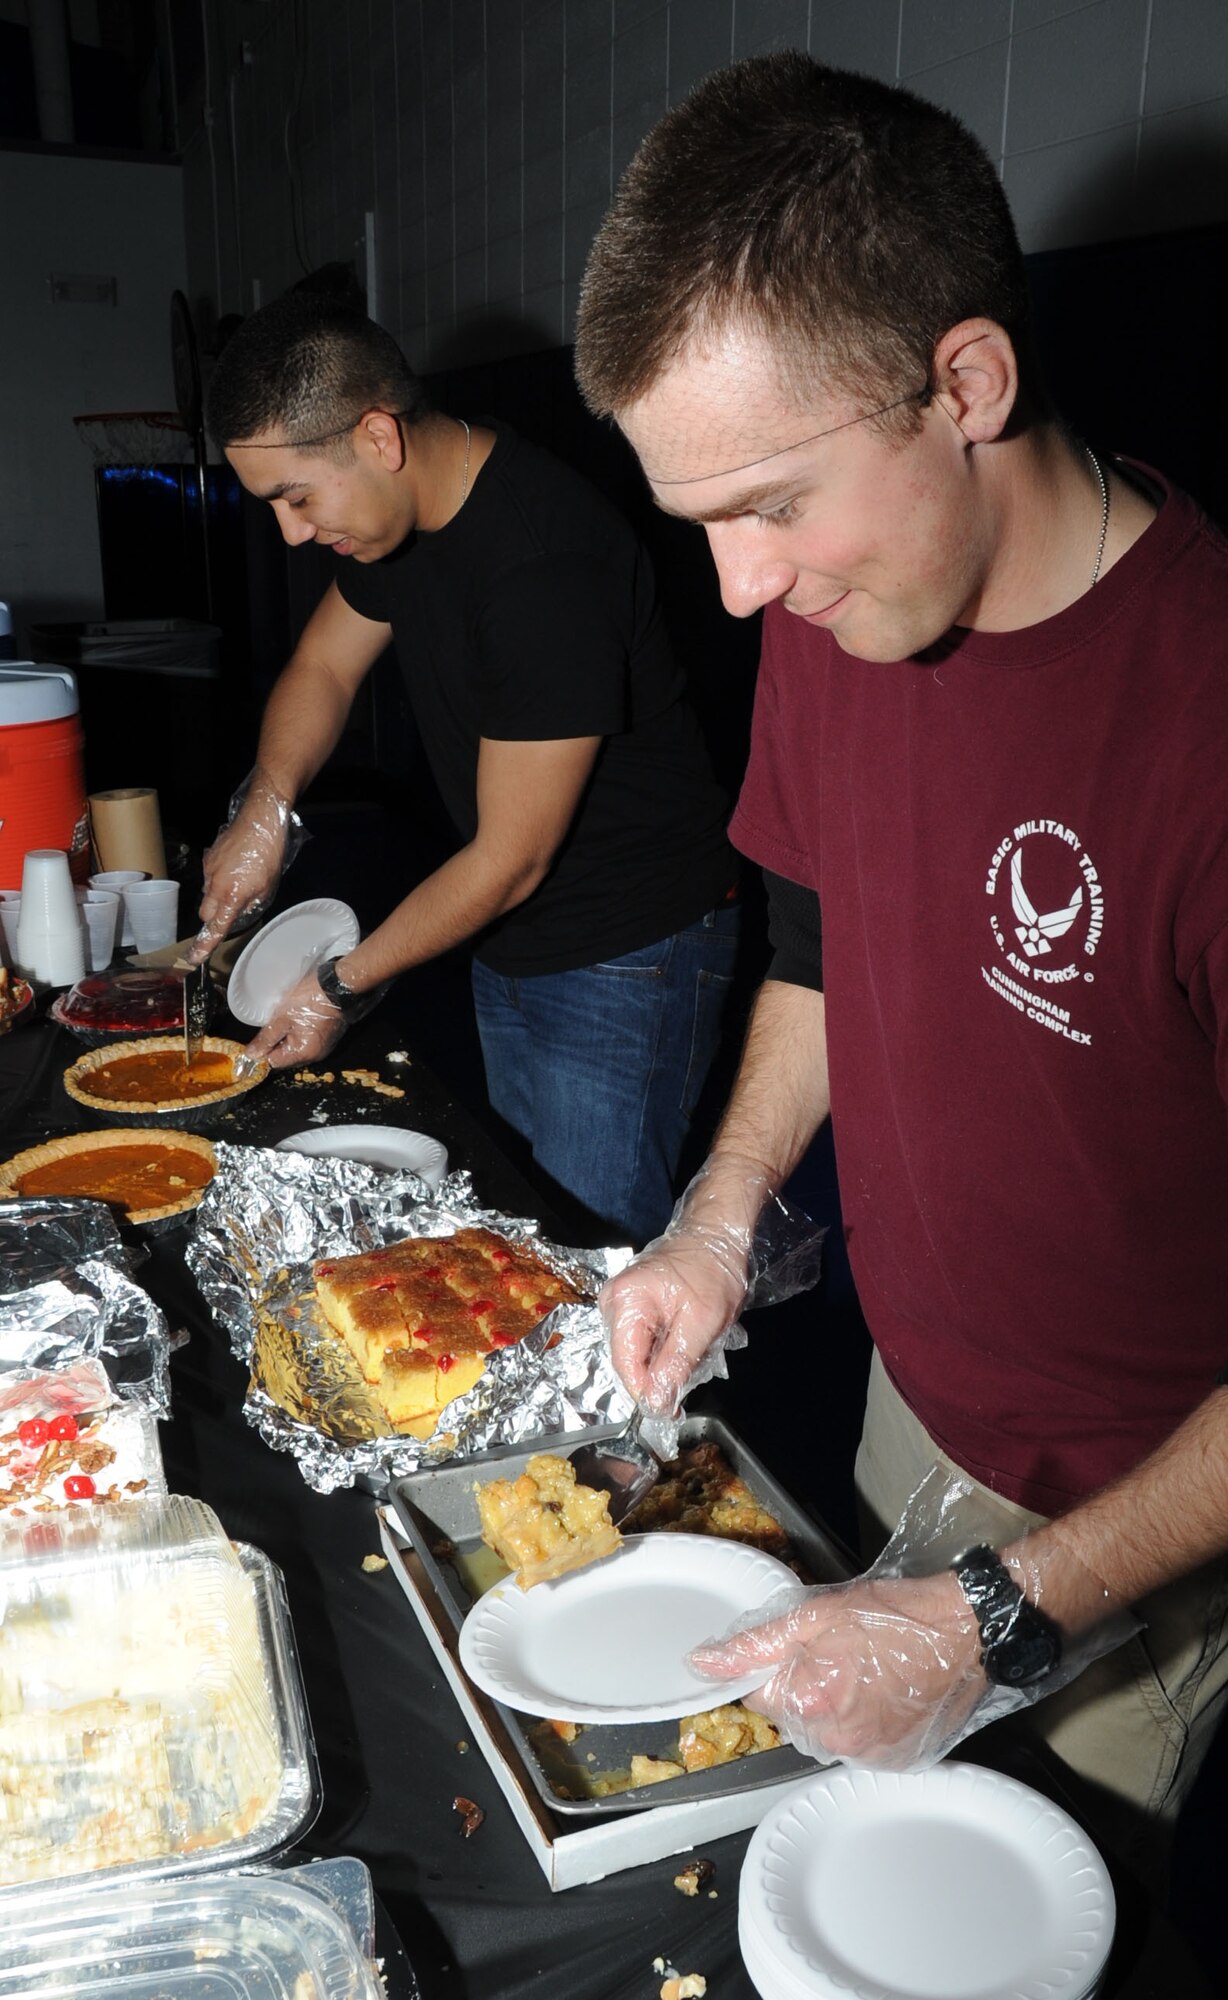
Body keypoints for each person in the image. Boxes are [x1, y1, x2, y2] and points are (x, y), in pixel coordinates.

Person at [575, 51, 1228, 1874]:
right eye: (696, 521)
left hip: (1134, 1514)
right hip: (899, 1397)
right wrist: (718, 1209)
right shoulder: (838, 611)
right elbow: (818, 942)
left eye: (767, 501)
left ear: (965, 382)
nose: (733, 588)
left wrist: (1002, 1617)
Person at [195, 291, 739, 1246]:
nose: (290, 532)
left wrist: (337, 986)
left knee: (589, 1255)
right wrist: (264, 813)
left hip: (630, 949)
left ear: (376, 436)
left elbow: (511, 859)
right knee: (518, 1214)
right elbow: (323, 667)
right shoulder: (397, 517)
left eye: (295, 498)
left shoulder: (543, 567)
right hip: (511, 929)